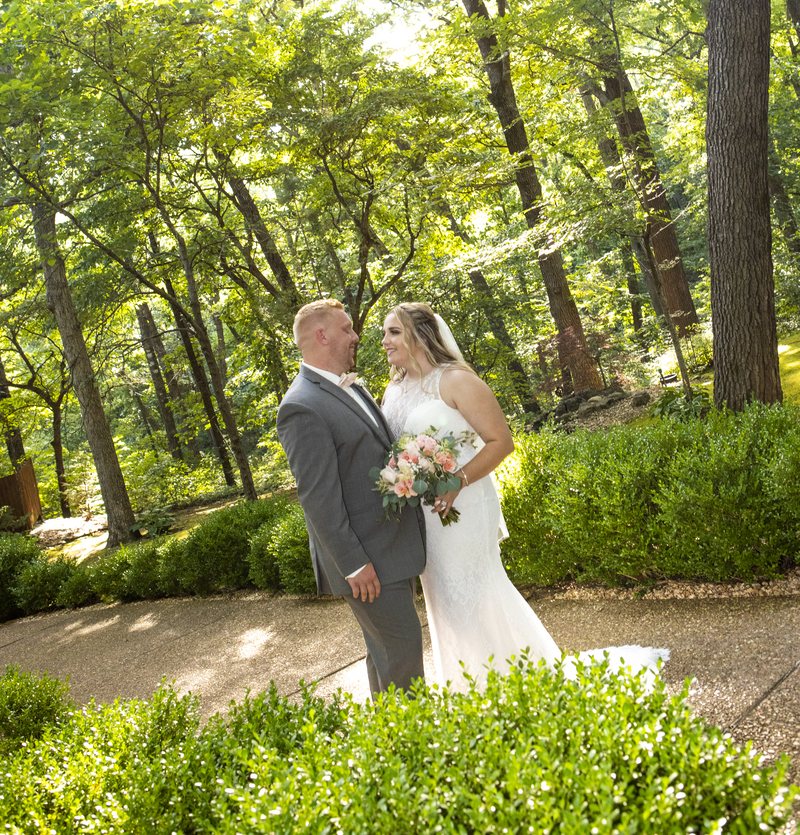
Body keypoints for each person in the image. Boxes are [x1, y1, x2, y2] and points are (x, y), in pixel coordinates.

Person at [381, 302, 667, 691]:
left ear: (421, 335)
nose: (384, 341)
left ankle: (513, 684)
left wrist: (456, 481)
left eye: (393, 332)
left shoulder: (456, 380)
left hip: (462, 506)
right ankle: (471, 686)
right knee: (445, 603)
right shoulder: (394, 389)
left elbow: (501, 442)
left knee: (475, 594)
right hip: (425, 516)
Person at [276, 298, 426, 697]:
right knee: (402, 653)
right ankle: (413, 747)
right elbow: (316, 498)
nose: (356, 336)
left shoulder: (347, 384)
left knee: (388, 654)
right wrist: (354, 564)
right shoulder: (301, 406)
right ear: (322, 336)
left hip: (389, 549)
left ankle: (389, 744)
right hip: (367, 560)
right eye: (347, 329)